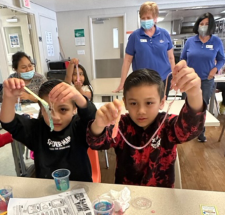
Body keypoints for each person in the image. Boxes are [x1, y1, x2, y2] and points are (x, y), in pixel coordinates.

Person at [86, 60, 206, 188]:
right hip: (127, 196)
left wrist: (195, 93)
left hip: (160, 196)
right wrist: (98, 125)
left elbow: (190, 129)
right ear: (125, 103)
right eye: (133, 103)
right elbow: (96, 142)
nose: (141, 111)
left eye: (149, 103)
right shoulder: (121, 125)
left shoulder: (167, 125)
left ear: (161, 102)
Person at [0, 79, 97, 181]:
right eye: (48, 110)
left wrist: (78, 97)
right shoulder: (36, 130)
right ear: (41, 109)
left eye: (63, 109)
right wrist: (8, 98)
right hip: (47, 189)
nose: (55, 117)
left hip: (80, 186)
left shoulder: (79, 126)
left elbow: (92, 117)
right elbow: (9, 123)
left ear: (75, 109)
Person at [114, 1, 175, 98]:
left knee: (161, 106)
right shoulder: (135, 36)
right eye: (143, 18)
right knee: (145, 107)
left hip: (163, 79)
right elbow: (127, 60)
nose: (145, 20)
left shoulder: (164, 34)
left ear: (155, 18)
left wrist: (174, 78)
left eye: (148, 18)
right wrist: (122, 82)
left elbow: (171, 58)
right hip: (142, 80)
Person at [180, 12, 225, 142]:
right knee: (188, 105)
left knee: (201, 107)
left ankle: (200, 132)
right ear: (197, 25)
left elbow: (222, 59)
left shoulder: (216, 41)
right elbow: (183, 59)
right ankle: (185, 130)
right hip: (189, 80)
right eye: (201, 24)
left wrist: (215, 69)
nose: (203, 26)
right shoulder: (190, 41)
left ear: (211, 26)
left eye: (206, 24)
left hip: (206, 80)